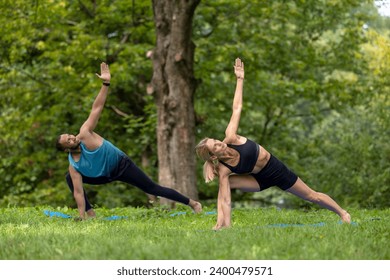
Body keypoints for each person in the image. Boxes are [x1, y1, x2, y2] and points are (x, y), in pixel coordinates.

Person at [195, 58, 351, 230]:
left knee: (311, 196)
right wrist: (228, 225)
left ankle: (343, 213)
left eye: (216, 141)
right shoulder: (224, 168)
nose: (219, 144)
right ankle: (223, 224)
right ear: (213, 155)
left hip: (275, 170)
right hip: (257, 180)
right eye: (215, 146)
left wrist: (240, 79)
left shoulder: (230, 137)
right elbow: (225, 199)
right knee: (225, 185)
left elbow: (237, 108)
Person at [56, 62, 202, 220]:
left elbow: (97, 107)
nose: (72, 137)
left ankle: (193, 203)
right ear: (66, 149)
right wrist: (80, 215)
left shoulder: (85, 133)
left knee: (151, 188)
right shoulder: (74, 165)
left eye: (70, 135)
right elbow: (78, 192)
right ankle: (89, 214)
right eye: (68, 141)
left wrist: (106, 83)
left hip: (121, 165)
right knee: (70, 178)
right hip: (103, 175)